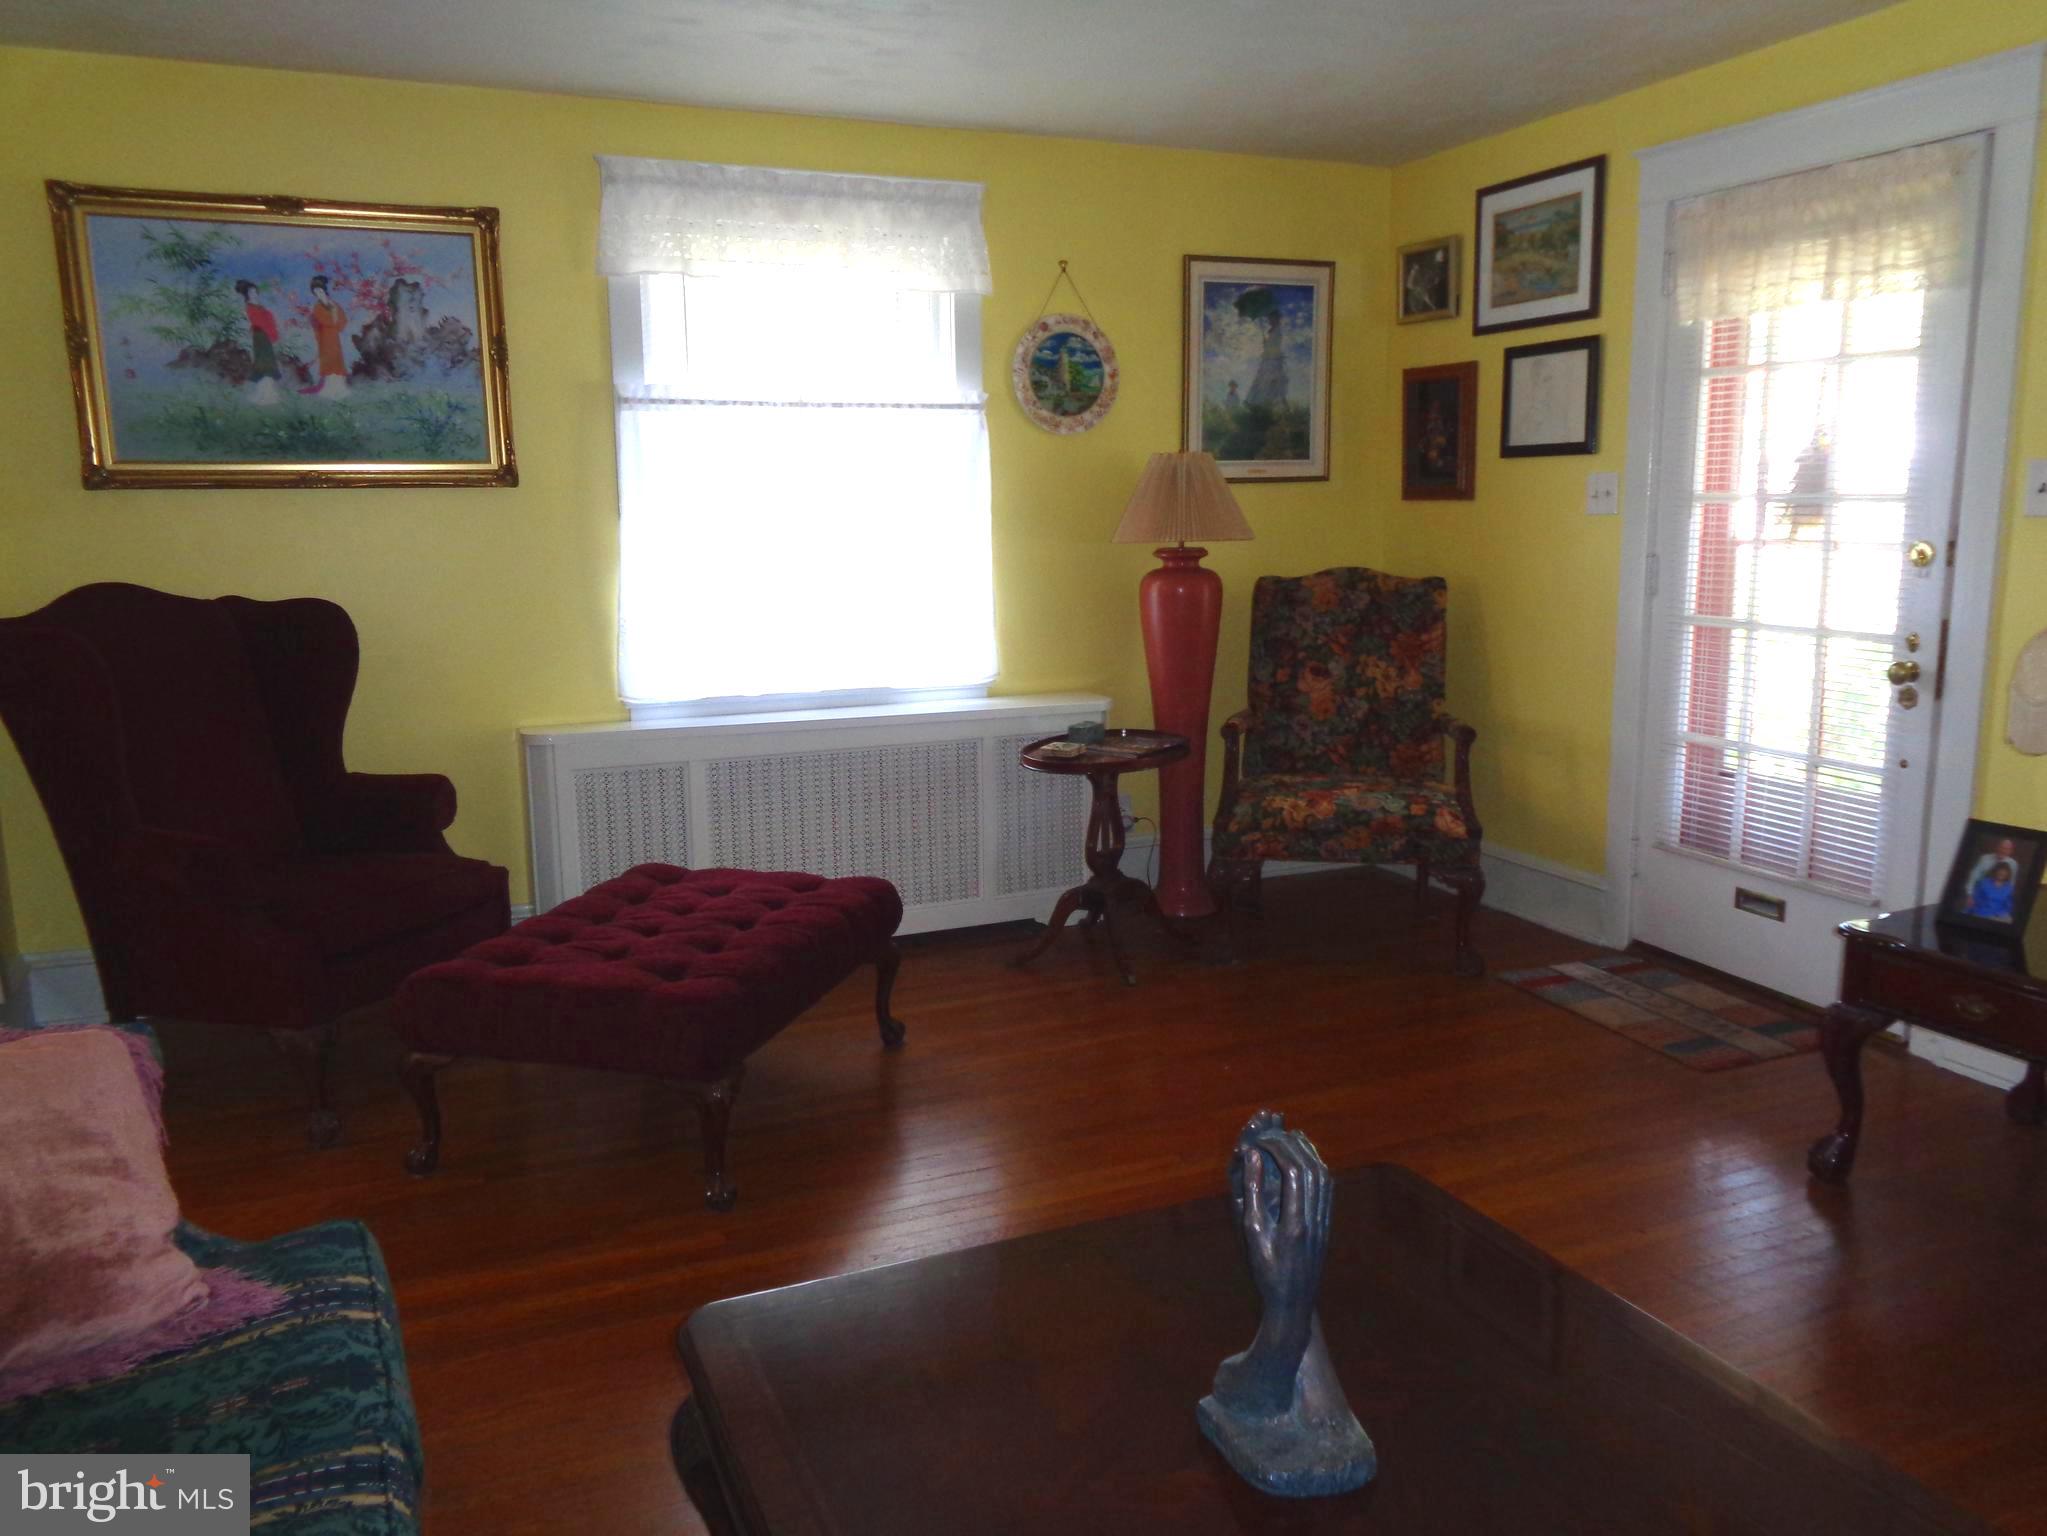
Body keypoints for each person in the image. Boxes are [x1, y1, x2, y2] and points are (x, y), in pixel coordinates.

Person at [234, 279, 283, 406]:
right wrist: (268, 326)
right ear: (247, 294)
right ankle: (265, 395)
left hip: (264, 336)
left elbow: (267, 319)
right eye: (251, 292)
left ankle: (269, 394)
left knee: (268, 363)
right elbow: (258, 322)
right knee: (263, 363)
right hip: (260, 336)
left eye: (255, 291)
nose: (254, 294)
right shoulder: (250, 307)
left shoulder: (259, 306)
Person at [302, 274, 350, 396]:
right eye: (315, 291)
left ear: (324, 289)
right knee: (328, 360)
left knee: (337, 359)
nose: (318, 293)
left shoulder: (334, 304)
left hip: (334, 337)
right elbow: (326, 321)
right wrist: (333, 316)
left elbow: (343, 321)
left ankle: (340, 389)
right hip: (325, 337)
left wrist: (335, 316)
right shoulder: (317, 307)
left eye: (320, 290)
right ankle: (329, 389)